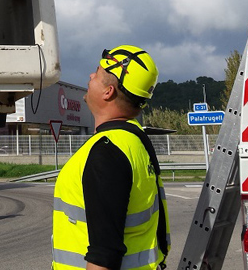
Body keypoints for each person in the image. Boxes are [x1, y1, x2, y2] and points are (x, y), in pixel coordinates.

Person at [52, 45, 171, 270]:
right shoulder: (135, 140)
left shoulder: (107, 152)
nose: (90, 76)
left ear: (108, 92)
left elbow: (104, 255)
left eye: (96, 74)